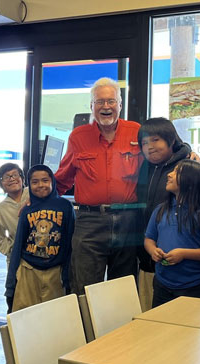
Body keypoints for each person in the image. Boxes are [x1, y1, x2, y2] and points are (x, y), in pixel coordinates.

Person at [54, 77, 145, 296]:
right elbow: (63, 177)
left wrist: (186, 154)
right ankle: (85, 331)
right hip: (89, 223)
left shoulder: (137, 131)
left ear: (120, 105)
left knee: (123, 290)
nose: (106, 107)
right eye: (100, 102)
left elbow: (162, 154)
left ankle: (121, 332)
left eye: (111, 101)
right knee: (84, 288)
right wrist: (36, 199)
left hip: (129, 221)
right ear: (92, 107)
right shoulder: (78, 136)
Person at [136, 117, 200, 311]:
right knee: (154, 321)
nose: (150, 147)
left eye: (155, 140)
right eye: (145, 143)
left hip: (193, 278)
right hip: (155, 267)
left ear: (171, 140)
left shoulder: (189, 167)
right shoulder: (144, 168)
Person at [144, 160, 200, 307]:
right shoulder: (161, 210)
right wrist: (153, 251)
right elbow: (149, 239)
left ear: (191, 181)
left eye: (176, 172)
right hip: (162, 284)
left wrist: (184, 253)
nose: (169, 175)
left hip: (195, 286)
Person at [5, 165, 74, 312]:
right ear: (29, 184)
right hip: (28, 270)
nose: (40, 185)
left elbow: (69, 244)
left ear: (52, 182)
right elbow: (18, 245)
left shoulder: (65, 206)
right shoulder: (27, 209)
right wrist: (11, 283)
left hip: (55, 272)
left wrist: (67, 276)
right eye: (35, 182)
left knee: (53, 317)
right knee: (24, 317)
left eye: (45, 180)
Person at [0, 162, 28, 312]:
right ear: (1, 183)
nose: (11, 179)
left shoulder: (32, 194)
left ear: (22, 178)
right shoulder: (2, 207)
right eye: (6, 177)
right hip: (17, 258)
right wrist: (12, 249)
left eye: (15, 175)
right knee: (14, 296)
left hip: (41, 253)